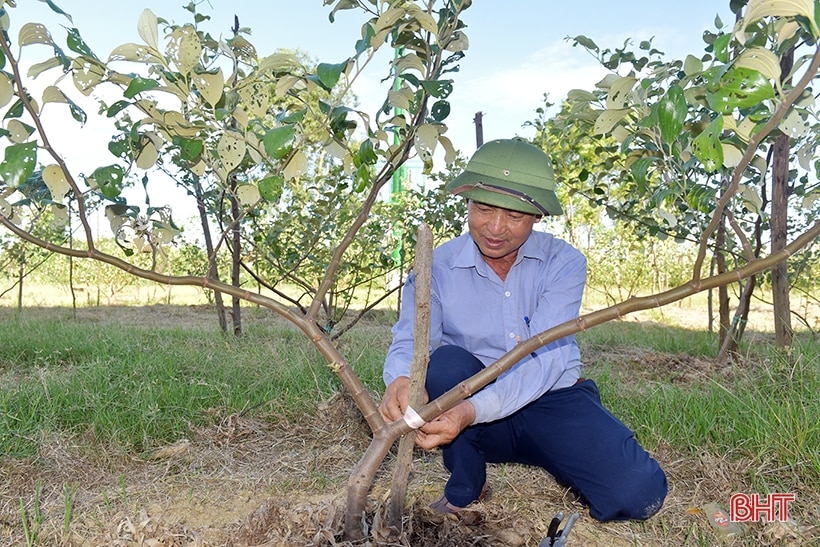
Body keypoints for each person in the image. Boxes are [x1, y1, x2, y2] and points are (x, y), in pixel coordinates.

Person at [378, 138, 667, 522]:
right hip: (469, 410)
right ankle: (467, 483)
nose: (495, 228)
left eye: (514, 216)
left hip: (551, 400)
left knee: (637, 494)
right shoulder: (437, 266)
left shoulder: (563, 263)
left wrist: (470, 410)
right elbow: (413, 340)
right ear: (467, 202)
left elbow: (544, 362)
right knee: (445, 363)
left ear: (537, 216)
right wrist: (399, 379)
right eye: (483, 209)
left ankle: (557, 456)